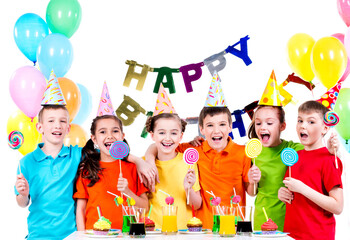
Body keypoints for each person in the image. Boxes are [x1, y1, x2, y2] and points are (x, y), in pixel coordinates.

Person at [278, 100, 343, 240]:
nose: (303, 126)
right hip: (290, 235)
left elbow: (338, 206)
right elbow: (295, 196)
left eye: (311, 122)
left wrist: (302, 188)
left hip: (317, 236)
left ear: (325, 128)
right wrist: (282, 194)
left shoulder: (329, 159)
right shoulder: (294, 157)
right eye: (300, 120)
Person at [15, 105, 82, 240]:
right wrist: (23, 194)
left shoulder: (76, 155)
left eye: (62, 121)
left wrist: (135, 160)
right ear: (40, 128)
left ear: (68, 128)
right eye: (51, 121)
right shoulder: (26, 162)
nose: (57, 125)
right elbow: (22, 203)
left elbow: (107, 154)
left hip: (70, 236)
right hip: (38, 235)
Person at [74, 115, 149, 230]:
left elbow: (145, 207)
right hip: (95, 236)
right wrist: (81, 236)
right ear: (94, 139)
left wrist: (127, 192)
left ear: (122, 136)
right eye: (103, 132)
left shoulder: (133, 168)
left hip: (128, 235)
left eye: (115, 131)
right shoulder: (87, 170)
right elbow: (81, 209)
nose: (110, 136)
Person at [145, 112, 202, 229]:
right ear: (152, 135)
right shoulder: (144, 164)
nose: (167, 138)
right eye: (161, 133)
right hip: (153, 231)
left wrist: (188, 189)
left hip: (183, 231)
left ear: (180, 136)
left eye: (173, 133)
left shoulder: (189, 163)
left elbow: (196, 205)